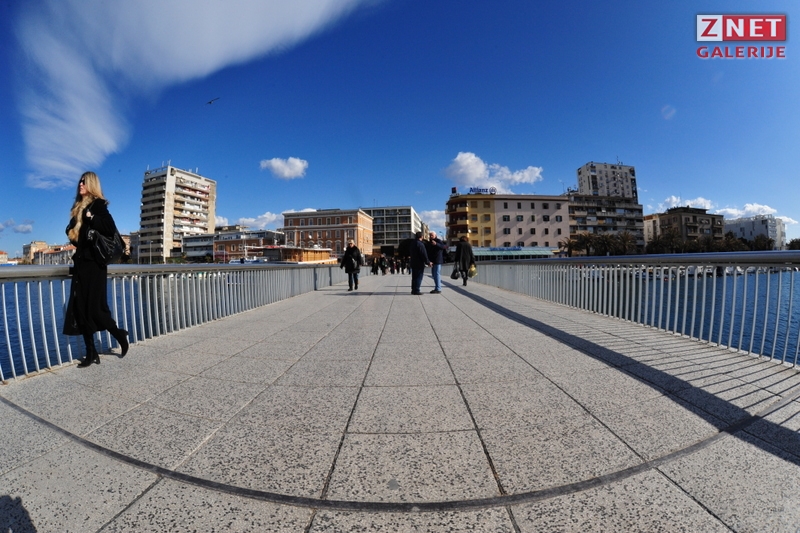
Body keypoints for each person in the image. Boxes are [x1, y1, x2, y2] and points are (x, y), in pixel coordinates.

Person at [63, 171, 129, 367]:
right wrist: (71, 230)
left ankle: (119, 334)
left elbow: (109, 227)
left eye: (84, 182)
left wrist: (91, 218)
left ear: (91, 184)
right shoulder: (77, 208)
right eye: (79, 181)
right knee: (80, 309)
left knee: (95, 308)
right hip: (81, 264)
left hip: (94, 265)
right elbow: (80, 238)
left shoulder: (97, 205)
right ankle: (91, 353)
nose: (80, 184)